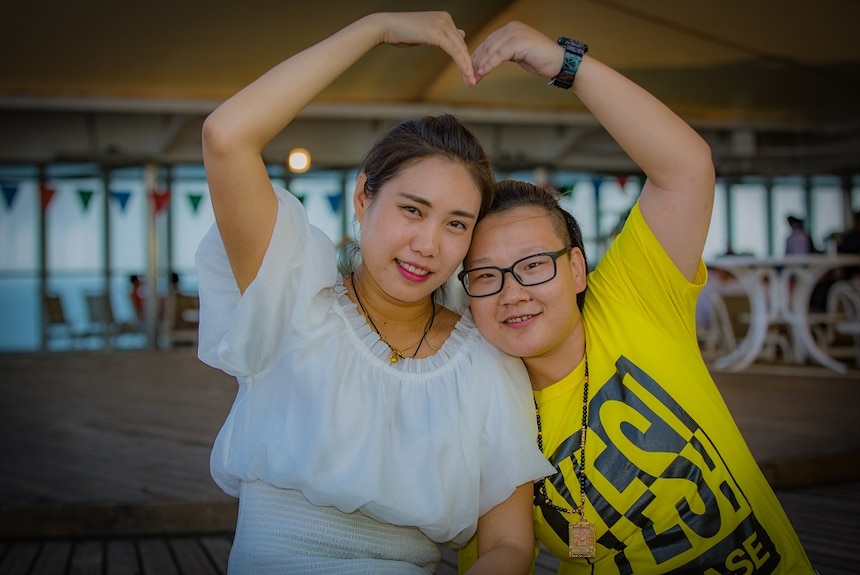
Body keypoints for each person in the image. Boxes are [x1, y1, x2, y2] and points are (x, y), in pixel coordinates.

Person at [195, 12, 553, 574]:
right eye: (412, 210)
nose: (427, 245)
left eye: (457, 224)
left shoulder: (484, 362)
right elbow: (226, 135)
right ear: (364, 197)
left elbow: (508, 545)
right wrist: (375, 28)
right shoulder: (291, 297)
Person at [458, 22, 816, 574]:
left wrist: (564, 63)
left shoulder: (632, 299)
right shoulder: (484, 406)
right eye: (486, 276)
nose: (513, 293)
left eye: (533, 266)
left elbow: (685, 169)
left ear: (576, 268)